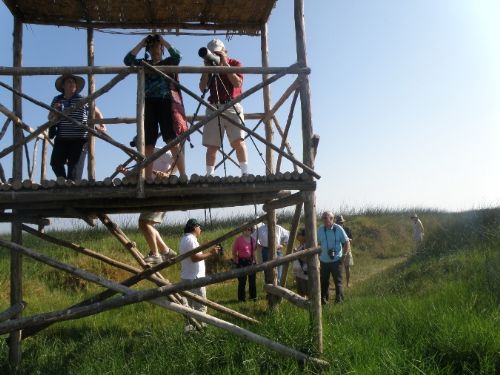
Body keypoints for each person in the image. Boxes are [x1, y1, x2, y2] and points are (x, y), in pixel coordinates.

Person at [124, 34, 187, 180]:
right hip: (148, 103)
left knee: (172, 139)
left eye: (157, 45)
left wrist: (163, 40)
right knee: (148, 142)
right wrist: (142, 43)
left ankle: (183, 174)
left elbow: (178, 56)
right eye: (152, 46)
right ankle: (148, 178)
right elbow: (127, 60)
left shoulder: (169, 61)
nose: (154, 48)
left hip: (166, 102)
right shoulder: (144, 63)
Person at [116, 137, 178, 265]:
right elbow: (137, 176)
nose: (138, 148)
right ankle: (166, 252)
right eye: (136, 146)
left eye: (139, 145)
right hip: (152, 194)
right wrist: (125, 172)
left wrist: (167, 173)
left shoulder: (160, 151)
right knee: (145, 223)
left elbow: (176, 161)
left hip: (162, 191)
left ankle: (156, 254)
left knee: (144, 223)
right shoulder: (141, 159)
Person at [199, 39, 249, 177]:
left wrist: (225, 65)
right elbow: (202, 88)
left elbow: (237, 83)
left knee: (238, 141)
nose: (214, 56)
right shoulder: (209, 68)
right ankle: (210, 175)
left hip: (232, 104)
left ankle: (245, 173)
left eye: (217, 53)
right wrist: (207, 70)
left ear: (225, 52)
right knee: (211, 145)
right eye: (211, 54)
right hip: (214, 105)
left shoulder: (235, 63)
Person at [48, 74, 104, 180]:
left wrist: (103, 125)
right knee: (55, 163)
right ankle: (63, 183)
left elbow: (97, 112)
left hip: (79, 139)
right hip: (62, 138)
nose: (72, 84)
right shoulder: (57, 99)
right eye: (69, 82)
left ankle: (69, 184)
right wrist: (54, 110)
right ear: (63, 86)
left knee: (74, 171)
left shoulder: (83, 99)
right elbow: (49, 117)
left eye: (73, 82)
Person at [179, 219, 220, 332]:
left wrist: (205, 246)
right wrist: (211, 253)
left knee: (189, 307)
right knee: (200, 305)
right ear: (195, 227)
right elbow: (194, 258)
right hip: (195, 278)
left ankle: (190, 329)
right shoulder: (191, 240)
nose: (200, 229)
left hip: (187, 277)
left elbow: (193, 253)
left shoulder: (185, 239)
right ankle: (200, 329)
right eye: (199, 227)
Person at [317, 210, 350, 305]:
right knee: (324, 282)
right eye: (322, 218)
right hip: (323, 260)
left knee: (338, 282)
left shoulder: (338, 228)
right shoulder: (320, 229)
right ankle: (323, 301)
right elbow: (316, 243)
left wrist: (344, 255)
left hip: (336, 260)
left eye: (325, 218)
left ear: (331, 219)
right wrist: (317, 256)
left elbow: (346, 242)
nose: (323, 220)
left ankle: (339, 302)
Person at [232, 226, 257, 302]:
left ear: (251, 231)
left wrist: (255, 261)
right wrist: (236, 261)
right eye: (245, 229)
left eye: (249, 229)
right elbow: (234, 252)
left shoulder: (253, 240)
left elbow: (254, 252)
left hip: (251, 261)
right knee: (242, 281)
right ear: (242, 230)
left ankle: (253, 297)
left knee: (252, 280)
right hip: (241, 261)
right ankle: (241, 299)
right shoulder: (238, 240)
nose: (247, 231)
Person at [335, 215, 354, 288]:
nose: (340, 223)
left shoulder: (347, 229)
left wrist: (347, 239)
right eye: (338, 222)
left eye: (341, 222)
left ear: (343, 222)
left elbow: (351, 240)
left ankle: (348, 283)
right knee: (336, 268)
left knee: (347, 267)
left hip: (347, 249)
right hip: (337, 250)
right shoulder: (334, 230)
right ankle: (338, 284)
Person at [292, 228, 308, 298]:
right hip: (298, 273)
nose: (297, 236)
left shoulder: (307, 245)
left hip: (304, 273)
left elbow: (306, 259)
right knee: (300, 293)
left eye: (299, 234)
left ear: (304, 236)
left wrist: (296, 254)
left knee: (306, 291)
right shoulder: (300, 245)